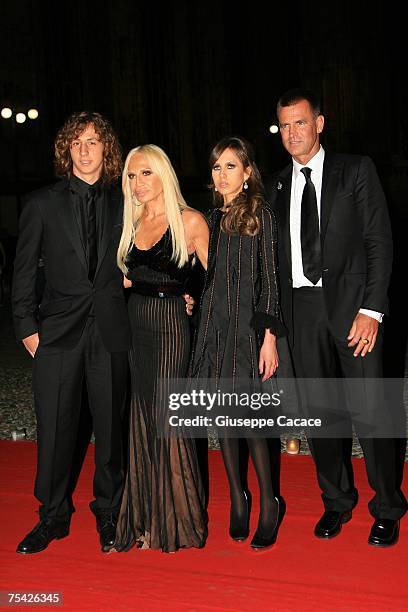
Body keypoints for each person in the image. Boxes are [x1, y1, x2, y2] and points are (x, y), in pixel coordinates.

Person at [266, 88, 407, 547]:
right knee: (321, 416)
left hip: (354, 310)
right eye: (285, 125)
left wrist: (372, 310)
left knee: (371, 412)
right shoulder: (276, 185)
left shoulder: (356, 170)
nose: (292, 133)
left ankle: (387, 506)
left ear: (320, 123)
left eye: (300, 122)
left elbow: (379, 243)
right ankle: (336, 502)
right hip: (301, 313)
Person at [12, 111, 130, 554]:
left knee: (110, 429)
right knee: (56, 430)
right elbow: (23, 272)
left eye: (93, 141)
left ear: (106, 150)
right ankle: (53, 516)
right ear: (67, 149)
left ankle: (109, 510)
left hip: (111, 333)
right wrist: (26, 327)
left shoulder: (125, 200)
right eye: (76, 142)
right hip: (56, 335)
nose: (84, 149)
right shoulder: (42, 203)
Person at [189, 136, 288, 550]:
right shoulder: (211, 218)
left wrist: (269, 337)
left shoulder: (261, 215)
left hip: (248, 331)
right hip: (214, 328)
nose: (222, 174)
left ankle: (270, 501)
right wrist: (190, 294)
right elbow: (209, 274)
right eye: (216, 167)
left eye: (231, 166)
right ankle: (238, 496)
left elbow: (270, 282)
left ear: (248, 173)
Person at [114, 144, 209, 553]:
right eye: (131, 176)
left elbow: (219, 283)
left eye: (145, 174)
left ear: (163, 175)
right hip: (137, 327)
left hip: (171, 328)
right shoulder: (131, 222)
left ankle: (178, 524)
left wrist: (193, 303)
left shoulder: (189, 221)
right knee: (142, 417)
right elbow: (123, 280)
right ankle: (145, 517)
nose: (137, 183)